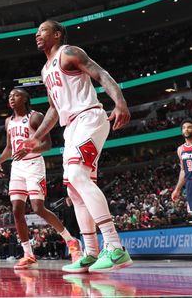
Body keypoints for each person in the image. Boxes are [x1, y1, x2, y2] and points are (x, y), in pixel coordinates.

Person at [19, 20, 132, 273]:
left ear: (57, 34)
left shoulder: (69, 52)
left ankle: (115, 248)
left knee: (79, 177)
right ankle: (91, 252)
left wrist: (120, 102)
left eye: (43, 31)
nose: (37, 35)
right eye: (36, 32)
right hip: (71, 128)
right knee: (73, 192)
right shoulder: (46, 69)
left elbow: (102, 74)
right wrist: (37, 137)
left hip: (89, 117)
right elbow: (54, 108)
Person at [0, 88, 82, 269]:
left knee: (38, 208)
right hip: (17, 167)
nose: (12, 98)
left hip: (34, 164)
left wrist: (30, 149)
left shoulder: (35, 117)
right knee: (17, 210)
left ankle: (71, 242)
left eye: (16, 95)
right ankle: (28, 253)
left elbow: (47, 145)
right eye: (10, 96)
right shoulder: (8, 121)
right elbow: (10, 148)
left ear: (25, 98)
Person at [171, 119, 192, 265]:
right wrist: (177, 189)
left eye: (189, 127)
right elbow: (183, 171)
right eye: (184, 127)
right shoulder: (180, 149)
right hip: (190, 186)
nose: (186, 129)